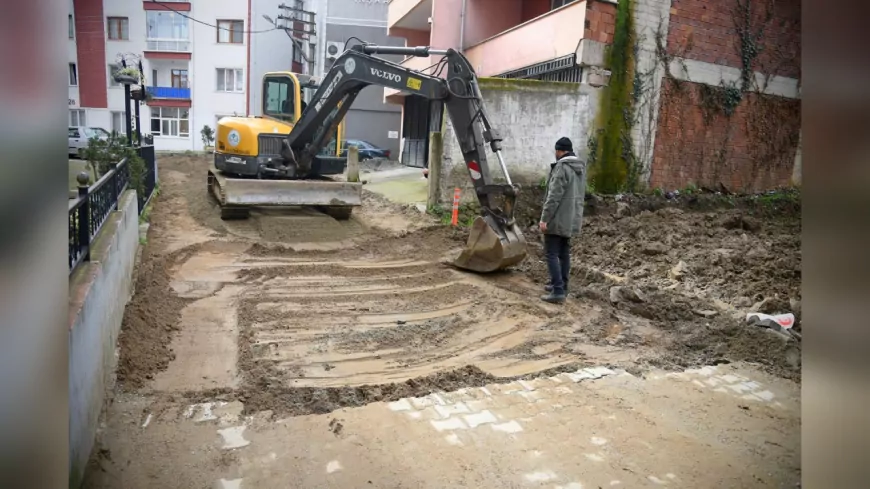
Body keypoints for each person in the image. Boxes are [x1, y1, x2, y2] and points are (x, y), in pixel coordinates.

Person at [539, 136, 587, 304]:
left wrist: (545, 218)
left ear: (560, 151)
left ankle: (558, 290)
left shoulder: (562, 168)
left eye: (556, 151)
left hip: (557, 218)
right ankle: (561, 285)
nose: (555, 154)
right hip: (571, 218)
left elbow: (554, 196)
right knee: (564, 253)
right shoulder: (579, 168)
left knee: (551, 253)